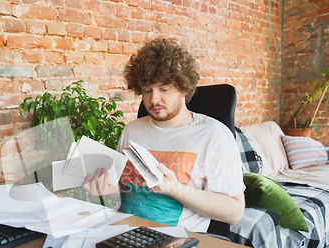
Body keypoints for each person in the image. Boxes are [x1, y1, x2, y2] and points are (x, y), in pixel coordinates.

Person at [83, 38, 244, 232]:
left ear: (184, 88)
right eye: (147, 90)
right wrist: (108, 191)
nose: (153, 99)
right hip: (122, 232)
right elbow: (121, 190)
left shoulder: (214, 135)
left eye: (164, 89)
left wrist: (175, 189)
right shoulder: (131, 131)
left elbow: (234, 212)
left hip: (176, 241)